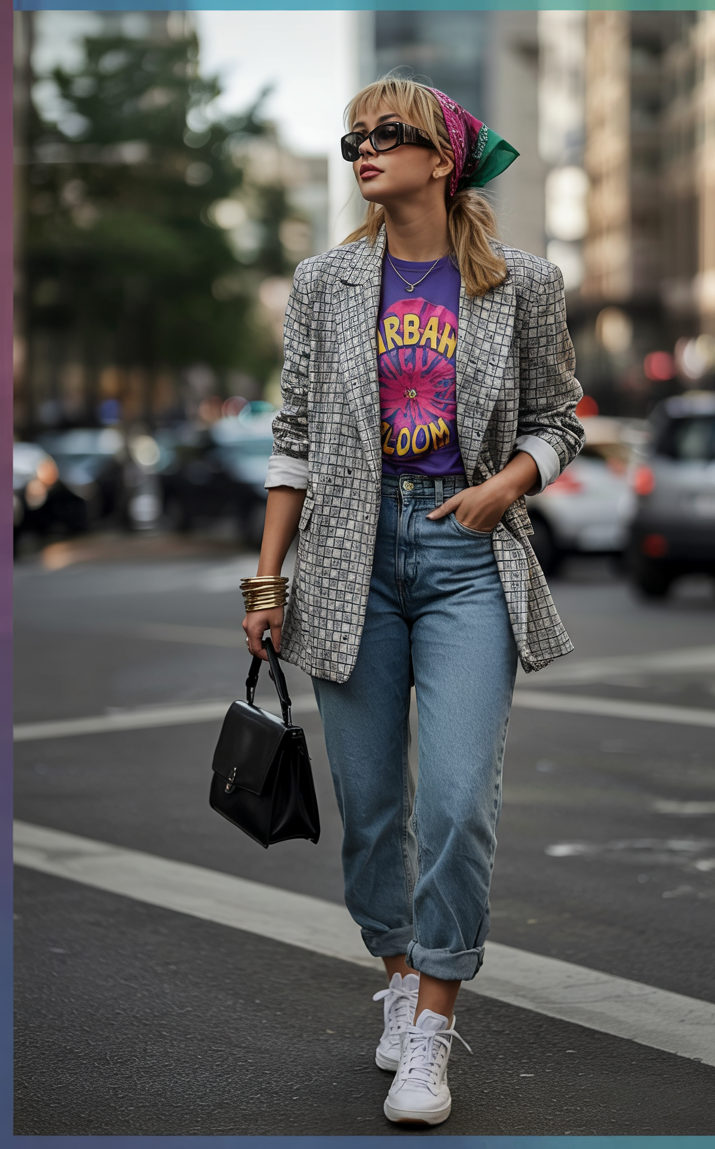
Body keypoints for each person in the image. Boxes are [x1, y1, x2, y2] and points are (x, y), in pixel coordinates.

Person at [241, 74, 584, 1127]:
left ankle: (434, 1019)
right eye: (354, 138)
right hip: (349, 555)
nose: (364, 150)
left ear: (443, 158)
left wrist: (503, 486)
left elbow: (560, 418)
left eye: (387, 134)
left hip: (464, 552)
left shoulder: (521, 282)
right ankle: (395, 975)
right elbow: (294, 435)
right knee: (371, 808)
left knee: (454, 804)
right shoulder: (326, 281)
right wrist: (268, 578)